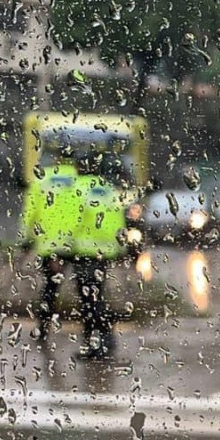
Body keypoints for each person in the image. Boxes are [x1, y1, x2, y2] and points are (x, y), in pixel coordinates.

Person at [20, 151, 83, 343]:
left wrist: (26, 239)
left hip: (49, 245)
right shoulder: (79, 181)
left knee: (50, 289)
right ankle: (90, 332)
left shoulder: (41, 179)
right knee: (86, 290)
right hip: (77, 244)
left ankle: (43, 328)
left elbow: (30, 212)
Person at [72, 152, 128, 358]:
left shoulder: (76, 189)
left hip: (84, 251)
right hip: (105, 252)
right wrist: (120, 249)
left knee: (89, 301)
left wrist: (63, 248)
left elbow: (72, 221)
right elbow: (119, 220)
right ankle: (103, 339)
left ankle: (97, 342)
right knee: (96, 295)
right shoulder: (107, 188)